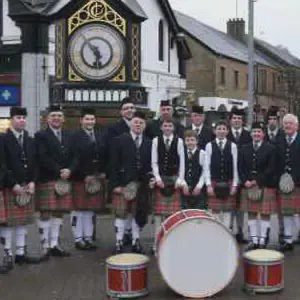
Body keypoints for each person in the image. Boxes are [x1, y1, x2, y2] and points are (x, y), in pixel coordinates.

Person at [1, 107, 40, 270]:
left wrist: (32, 181)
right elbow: (1, 165)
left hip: (26, 185)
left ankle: (21, 253)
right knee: (9, 223)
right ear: (11, 120)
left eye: (24, 117)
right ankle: (8, 254)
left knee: (23, 222)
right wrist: (13, 184)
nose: (22, 120)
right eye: (18, 117)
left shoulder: (30, 140)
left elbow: (35, 163)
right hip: (10, 186)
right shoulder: (2, 139)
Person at [35, 105, 76, 258]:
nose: (57, 118)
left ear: (63, 119)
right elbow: (42, 156)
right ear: (48, 119)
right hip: (48, 178)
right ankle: (45, 245)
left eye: (59, 116)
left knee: (59, 213)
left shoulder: (69, 135)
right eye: (53, 116)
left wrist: (70, 169)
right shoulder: (41, 135)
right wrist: (59, 170)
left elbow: (75, 155)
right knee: (45, 213)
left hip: (64, 179)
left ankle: (54, 244)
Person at [109, 111, 153, 254]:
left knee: (137, 214)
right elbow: (113, 164)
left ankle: (135, 241)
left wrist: (150, 179)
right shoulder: (119, 140)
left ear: (144, 125)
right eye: (135, 122)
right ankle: (118, 242)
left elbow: (151, 165)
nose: (138, 125)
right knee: (121, 213)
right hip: (122, 184)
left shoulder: (149, 142)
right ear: (130, 124)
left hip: (141, 185)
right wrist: (115, 185)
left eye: (141, 123)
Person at [70, 108, 107, 250]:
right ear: (81, 121)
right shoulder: (74, 137)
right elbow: (73, 158)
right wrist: (83, 175)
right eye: (87, 119)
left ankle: (88, 237)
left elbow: (104, 155)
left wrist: (102, 172)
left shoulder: (100, 135)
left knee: (90, 210)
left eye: (92, 119)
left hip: (96, 178)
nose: (90, 122)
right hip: (80, 178)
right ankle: (78, 238)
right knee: (79, 210)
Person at [239, 122, 277, 250]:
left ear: (263, 134)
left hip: (265, 184)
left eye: (259, 132)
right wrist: (245, 181)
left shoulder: (270, 148)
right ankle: (254, 240)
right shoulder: (244, 148)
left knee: (265, 213)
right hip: (248, 184)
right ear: (251, 134)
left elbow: (271, 168)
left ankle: (262, 240)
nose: (256, 134)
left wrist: (257, 181)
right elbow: (241, 167)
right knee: (251, 212)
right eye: (254, 132)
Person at [107, 97, 137, 246]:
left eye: (131, 107)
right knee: (121, 210)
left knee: (133, 210)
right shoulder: (114, 129)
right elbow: (112, 158)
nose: (129, 110)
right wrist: (115, 182)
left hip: (136, 177)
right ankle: (121, 237)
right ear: (121, 112)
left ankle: (130, 234)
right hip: (121, 176)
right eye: (126, 108)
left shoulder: (141, 126)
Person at [151, 118, 185, 252]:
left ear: (173, 127)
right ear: (161, 127)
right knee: (158, 216)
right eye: (165, 125)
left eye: (170, 125)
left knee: (171, 215)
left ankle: (170, 243)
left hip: (173, 179)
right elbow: (154, 162)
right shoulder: (155, 141)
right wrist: (157, 178)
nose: (167, 127)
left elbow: (182, 162)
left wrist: (180, 179)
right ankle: (156, 243)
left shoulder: (180, 141)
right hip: (161, 181)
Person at [205, 120, 238, 229]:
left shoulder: (232, 146)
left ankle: (227, 232)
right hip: (214, 181)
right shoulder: (209, 146)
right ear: (215, 131)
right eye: (219, 128)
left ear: (228, 131)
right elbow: (206, 166)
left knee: (227, 210)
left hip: (228, 182)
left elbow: (235, 167)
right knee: (215, 210)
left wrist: (234, 185)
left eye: (224, 129)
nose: (221, 131)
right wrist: (209, 185)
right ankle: (216, 232)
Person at [227, 106, 252, 243]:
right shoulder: (225, 133)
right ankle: (229, 230)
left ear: (242, 121)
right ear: (230, 120)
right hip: (228, 175)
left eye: (239, 118)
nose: (237, 120)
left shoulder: (248, 135)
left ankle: (241, 231)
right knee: (230, 205)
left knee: (240, 206)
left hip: (243, 175)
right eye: (234, 118)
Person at [277, 114, 300, 251]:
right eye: (285, 123)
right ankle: (288, 239)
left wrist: (294, 178)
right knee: (287, 212)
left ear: (296, 126)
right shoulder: (280, 140)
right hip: (283, 183)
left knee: (297, 212)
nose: (287, 126)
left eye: (290, 123)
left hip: (298, 182)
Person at [181, 130, 206, 209]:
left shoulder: (202, 153)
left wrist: (199, 186)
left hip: (198, 189)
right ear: (184, 142)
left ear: (197, 141)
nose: (190, 142)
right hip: (184, 188)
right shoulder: (181, 153)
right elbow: (179, 171)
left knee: (198, 215)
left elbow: (204, 172)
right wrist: (183, 184)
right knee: (184, 215)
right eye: (187, 140)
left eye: (192, 140)